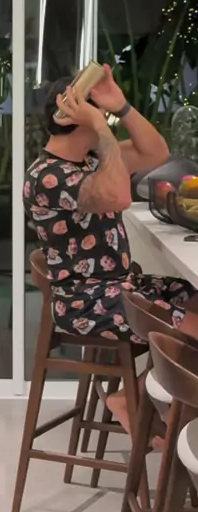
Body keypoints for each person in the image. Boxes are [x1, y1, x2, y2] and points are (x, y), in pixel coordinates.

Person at [24, 65, 198, 434]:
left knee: (192, 298)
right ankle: (166, 420)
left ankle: (136, 397)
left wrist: (121, 106)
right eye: (97, 111)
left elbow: (156, 152)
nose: (104, 117)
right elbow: (118, 196)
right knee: (192, 324)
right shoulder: (48, 176)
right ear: (76, 117)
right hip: (86, 302)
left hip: (120, 289)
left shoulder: (90, 161)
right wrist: (101, 127)